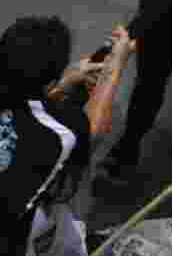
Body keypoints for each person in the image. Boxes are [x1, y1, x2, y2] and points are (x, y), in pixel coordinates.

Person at [0, 17, 136, 256]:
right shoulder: (56, 133)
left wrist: (63, 84)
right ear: (48, 81)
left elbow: (20, 106)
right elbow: (92, 130)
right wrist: (116, 64)